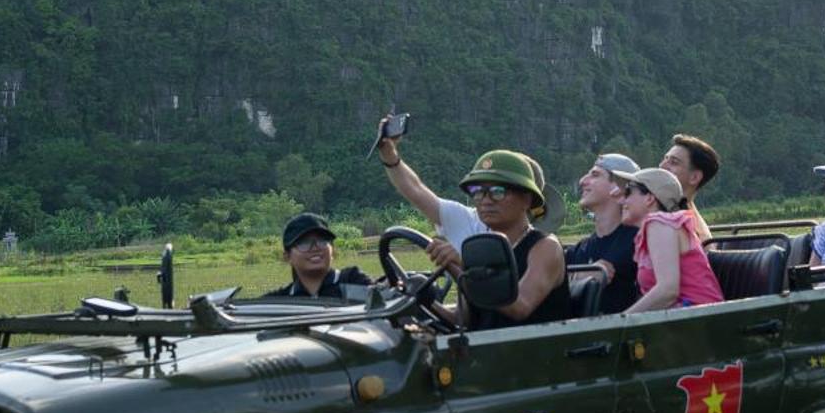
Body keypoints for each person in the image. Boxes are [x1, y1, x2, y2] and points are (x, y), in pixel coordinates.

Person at [377, 126, 567, 329]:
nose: (485, 201)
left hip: (532, 356)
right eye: (478, 191)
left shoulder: (545, 247)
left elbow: (520, 307)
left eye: (498, 191)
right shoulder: (484, 249)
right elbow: (463, 320)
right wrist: (422, 298)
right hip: (484, 354)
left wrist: (463, 264)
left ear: (527, 200)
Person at [620, 166, 724, 312]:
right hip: (685, 317)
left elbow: (668, 291)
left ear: (650, 198)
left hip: (697, 318)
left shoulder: (660, 223)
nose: (621, 200)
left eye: (628, 192)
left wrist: (621, 323)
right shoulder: (658, 227)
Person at [565, 153, 643, 313]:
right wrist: (584, 277)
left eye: (595, 175)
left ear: (619, 188)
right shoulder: (579, 249)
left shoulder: (640, 241)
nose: (582, 181)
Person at [266, 212, 373, 299]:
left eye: (322, 240)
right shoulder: (282, 300)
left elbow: (380, 299)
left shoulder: (352, 281)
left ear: (332, 249)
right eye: (304, 243)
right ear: (287, 257)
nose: (315, 247)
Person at [660, 134, 722, 243]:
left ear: (694, 177)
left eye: (674, 162)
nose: (662, 166)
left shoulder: (689, 227)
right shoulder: (668, 211)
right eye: (665, 159)